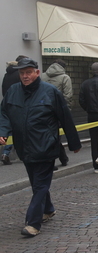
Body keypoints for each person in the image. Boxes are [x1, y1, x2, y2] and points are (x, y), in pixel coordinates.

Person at [0, 58, 81, 236]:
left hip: (46, 145)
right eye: (22, 73)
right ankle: (49, 209)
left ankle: (33, 223)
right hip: (24, 146)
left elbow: (65, 117)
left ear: (37, 73)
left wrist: (74, 143)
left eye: (29, 72)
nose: (25, 76)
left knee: (40, 184)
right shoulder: (13, 91)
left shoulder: (50, 92)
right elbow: (4, 113)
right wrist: (3, 131)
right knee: (37, 184)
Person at [41, 59, 73, 168]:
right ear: (63, 67)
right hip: (57, 111)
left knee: (49, 135)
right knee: (54, 136)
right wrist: (66, 112)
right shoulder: (65, 77)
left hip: (42, 110)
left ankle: (63, 158)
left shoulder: (42, 76)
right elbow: (68, 96)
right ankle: (52, 161)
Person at [1, 55, 28, 165]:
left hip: (8, 104)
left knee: (10, 129)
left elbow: (3, 90)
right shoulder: (20, 75)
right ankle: (24, 153)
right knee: (21, 129)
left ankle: (6, 153)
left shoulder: (7, 75)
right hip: (19, 105)